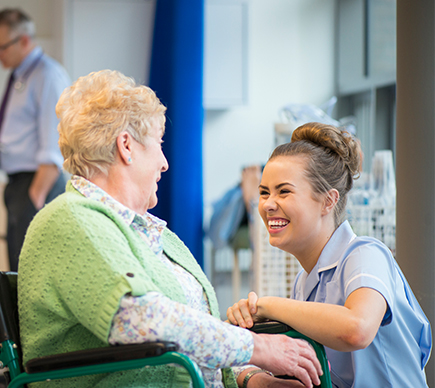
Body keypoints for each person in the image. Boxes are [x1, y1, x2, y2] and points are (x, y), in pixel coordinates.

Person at [17, 70, 323, 388]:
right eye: (158, 144)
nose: (164, 163)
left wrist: (251, 378)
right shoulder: (70, 219)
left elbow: (192, 340)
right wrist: (259, 348)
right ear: (127, 146)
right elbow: (140, 321)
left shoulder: (153, 234)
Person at [227, 122, 432, 387]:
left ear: (328, 200)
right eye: (264, 192)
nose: (268, 204)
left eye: (284, 191)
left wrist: (267, 306)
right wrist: (252, 376)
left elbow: (356, 329)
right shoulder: (304, 283)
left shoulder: (365, 255)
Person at [0, 8, 70, 271]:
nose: (0, 54)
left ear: (25, 41)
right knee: (16, 272)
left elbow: (53, 148)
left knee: (31, 273)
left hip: (38, 185)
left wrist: (34, 198)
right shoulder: (19, 77)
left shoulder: (47, 76)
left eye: (3, 47)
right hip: (18, 185)